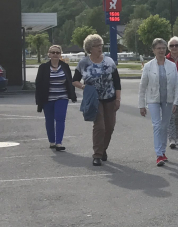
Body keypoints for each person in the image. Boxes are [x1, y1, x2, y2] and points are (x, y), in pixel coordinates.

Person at [72, 34, 121, 166]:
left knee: (110, 127)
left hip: (110, 98)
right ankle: (97, 155)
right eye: (96, 46)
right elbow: (74, 81)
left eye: (101, 45)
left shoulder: (109, 61)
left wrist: (118, 99)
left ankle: (103, 149)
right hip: (95, 99)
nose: (100, 48)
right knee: (100, 126)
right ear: (90, 48)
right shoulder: (83, 63)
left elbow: (117, 81)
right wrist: (84, 87)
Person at [139, 38, 178, 167]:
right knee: (157, 125)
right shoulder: (148, 66)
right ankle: (159, 154)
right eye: (158, 48)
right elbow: (143, 87)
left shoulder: (172, 65)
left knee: (164, 126)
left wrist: (176, 102)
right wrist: (141, 105)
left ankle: (163, 152)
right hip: (153, 99)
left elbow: (176, 85)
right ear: (153, 50)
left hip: (168, 100)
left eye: (163, 48)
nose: (161, 50)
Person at [35, 45, 76, 151]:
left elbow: (69, 82)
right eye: (53, 52)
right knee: (49, 120)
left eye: (57, 53)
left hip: (62, 97)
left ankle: (59, 143)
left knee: (60, 118)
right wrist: (39, 100)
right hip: (47, 98)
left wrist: (72, 95)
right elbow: (38, 84)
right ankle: (52, 141)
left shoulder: (65, 66)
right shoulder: (43, 67)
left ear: (60, 54)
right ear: (49, 54)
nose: (55, 54)